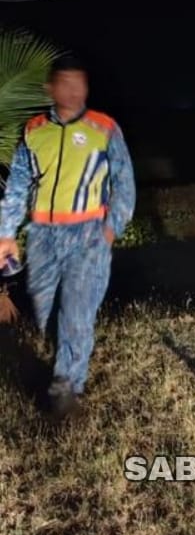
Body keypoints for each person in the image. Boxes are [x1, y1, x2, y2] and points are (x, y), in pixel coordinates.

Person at [0, 56, 136, 420]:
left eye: (80, 83)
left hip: (88, 234)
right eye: (66, 83)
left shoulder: (103, 128)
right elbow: (18, 183)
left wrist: (111, 229)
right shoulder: (34, 130)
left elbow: (124, 183)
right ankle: (64, 368)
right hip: (43, 236)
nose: (74, 91)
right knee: (47, 311)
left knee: (77, 311)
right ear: (51, 88)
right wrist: (6, 233)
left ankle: (67, 387)